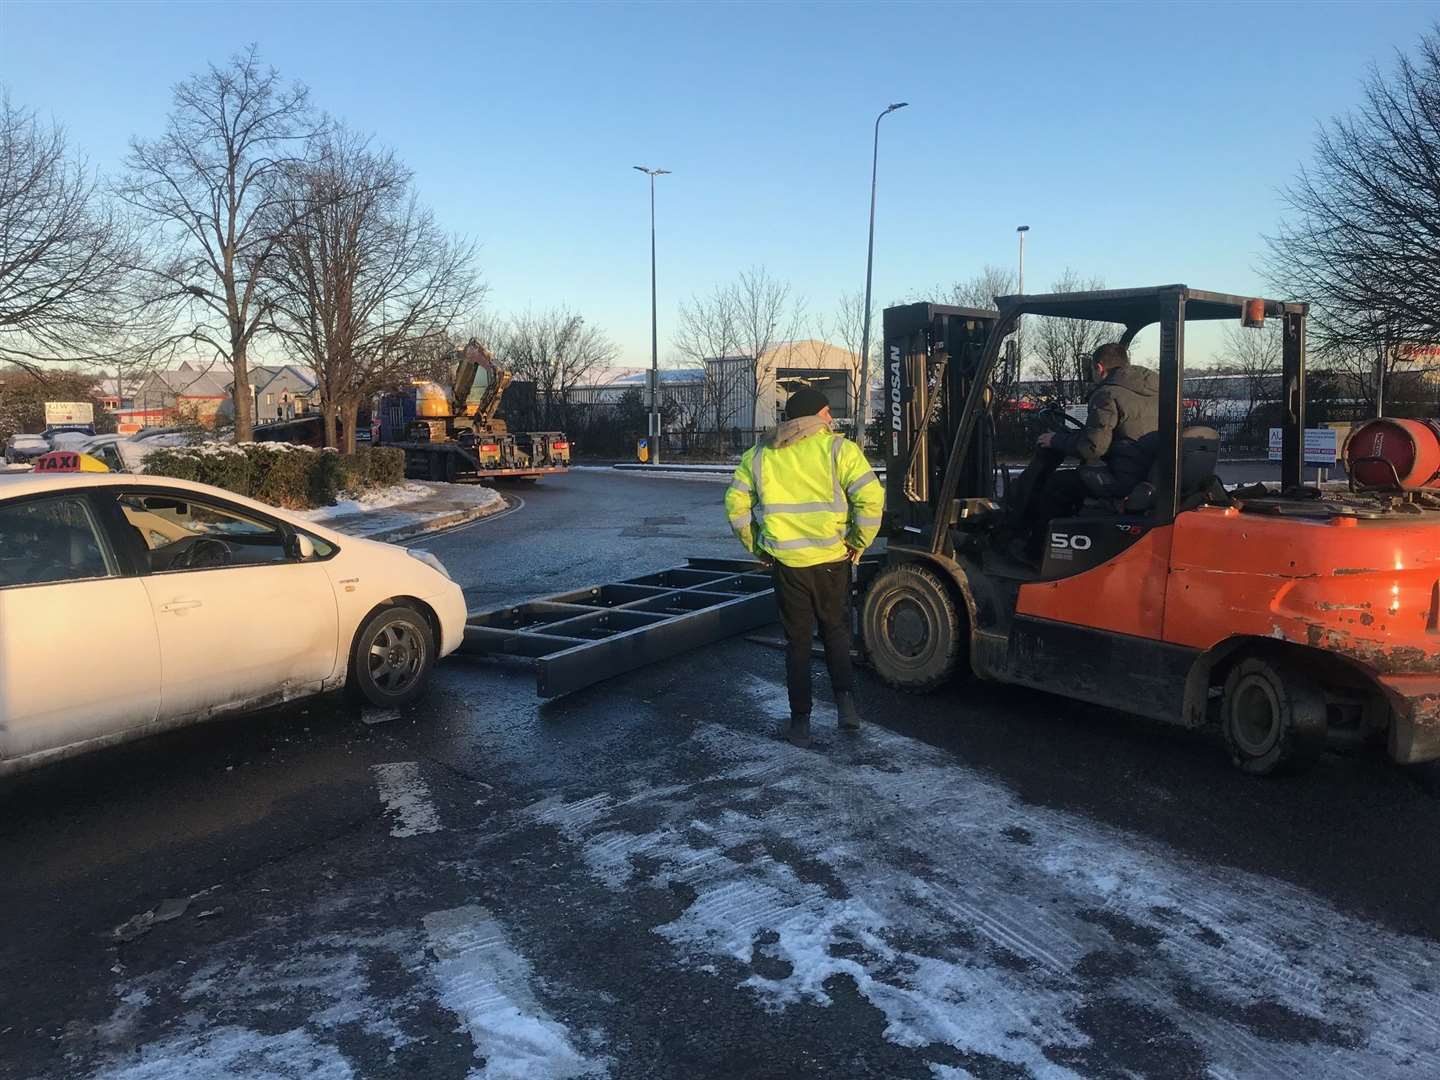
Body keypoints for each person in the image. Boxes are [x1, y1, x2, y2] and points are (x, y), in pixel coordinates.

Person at [724, 388, 884, 747]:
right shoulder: (839, 450)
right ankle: (846, 708)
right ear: (816, 414)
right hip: (832, 559)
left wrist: (758, 546)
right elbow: (871, 499)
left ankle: (800, 723)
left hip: (787, 563)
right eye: (827, 412)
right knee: (836, 632)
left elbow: (735, 505)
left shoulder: (760, 454)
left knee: (797, 642)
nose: (831, 418)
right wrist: (858, 542)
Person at [1020, 342, 1158, 562]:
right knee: (1076, 480)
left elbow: (1093, 447)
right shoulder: (1155, 390)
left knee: (1057, 485)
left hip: (1122, 478)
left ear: (1100, 367)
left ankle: (1035, 554)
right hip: (1145, 472)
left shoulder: (1107, 394)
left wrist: (1055, 439)